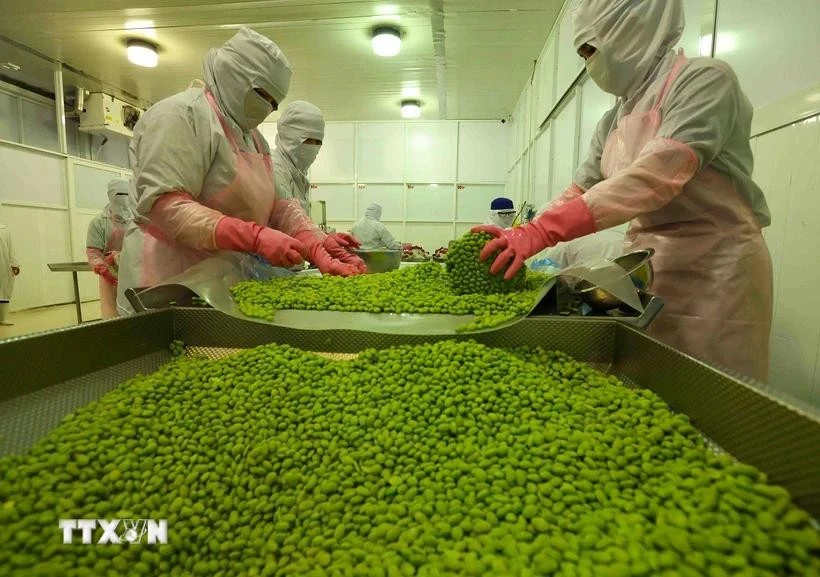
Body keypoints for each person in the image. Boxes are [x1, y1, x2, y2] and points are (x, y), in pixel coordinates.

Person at [474, 0, 773, 381]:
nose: (588, 64)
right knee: (651, 384)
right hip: (647, 267)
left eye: (590, 50)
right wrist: (517, 233)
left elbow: (656, 175)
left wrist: (539, 232)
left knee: (715, 390)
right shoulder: (612, 120)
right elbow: (580, 190)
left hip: (717, 268)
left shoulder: (705, 81)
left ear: (631, 28)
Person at [117, 28, 364, 314]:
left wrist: (314, 243)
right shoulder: (181, 116)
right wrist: (255, 237)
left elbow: (280, 206)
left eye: (275, 103)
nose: (267, 108)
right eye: (262, 96)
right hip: (168, 282)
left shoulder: (254, 138)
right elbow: (167, 207)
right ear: (235, 75)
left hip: (220, 284)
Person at [272, 101, 364, 271]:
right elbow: (287, 218)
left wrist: (325, 238)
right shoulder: (274, 167)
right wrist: (321, 246)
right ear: (288, 136)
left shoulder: (298, 174)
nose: (312, 148)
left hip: (290, 269)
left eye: (317, 142)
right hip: (268, 269)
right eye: (307, 140)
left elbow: (301, 224)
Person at [87, 179, 134, 319]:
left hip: (133, 272)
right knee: (111, 313)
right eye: (119, 194)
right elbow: (93, 252)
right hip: (111, 274)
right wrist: (102, 268)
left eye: (127, 194)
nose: (123, 198)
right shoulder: (99, 222)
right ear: (110, 195)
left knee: (133, 311)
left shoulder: (136, 219)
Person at [543, 228, 625, 268]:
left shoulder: (559, 245)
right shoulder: (610, 231)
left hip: (602, 282)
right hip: (629, 269)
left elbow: (546, 276)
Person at [0, 220, 20, 326]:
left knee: (4, 291)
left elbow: (10, 249)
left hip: (3, 267)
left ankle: (2, 318)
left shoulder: (4, 230)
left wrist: (14, 264)